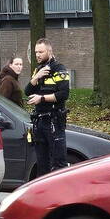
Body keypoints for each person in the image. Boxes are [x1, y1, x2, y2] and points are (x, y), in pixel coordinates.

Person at [24, 39, 70, 175]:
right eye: (36, 52)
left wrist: (42, 98)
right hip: (39, 122)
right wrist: (36, 77)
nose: (37, 55)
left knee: (58, 162)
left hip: (54, 121)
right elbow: (27, 92)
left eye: (41, 52)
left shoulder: (59, 69)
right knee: (42, 163)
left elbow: (63, 94)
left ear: (49, 51)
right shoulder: (38, 70)